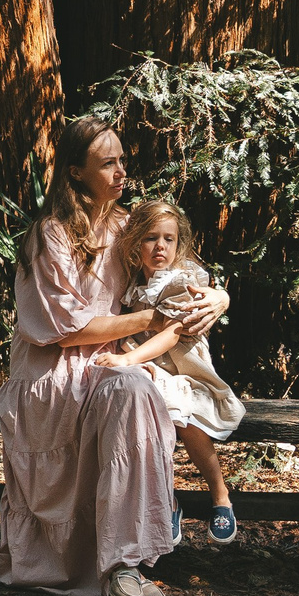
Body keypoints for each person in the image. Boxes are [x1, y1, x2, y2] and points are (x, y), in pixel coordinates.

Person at [0, 115, 225, 596]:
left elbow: (181, 267)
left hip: (112, 365)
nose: (122, 172)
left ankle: (126, 564)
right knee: (129, 383)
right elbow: (69, 328)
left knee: (135, 388)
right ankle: (99, 564)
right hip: (53, 372)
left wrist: (218, 299)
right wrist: (151, 316)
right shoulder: (48, 237)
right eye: (108, 163)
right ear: (75, 172)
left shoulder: (127, 227)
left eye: (123, 160)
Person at [119, 198, 246, 542]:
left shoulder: (181, 281)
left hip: (183, 367)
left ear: (179, 243)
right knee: (152, 425)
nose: (160, 246)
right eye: (150, 237)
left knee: (188, 425)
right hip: (150, 367)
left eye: (169, 239)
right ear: (135, 242)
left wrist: (130, 360)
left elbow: (172, 333)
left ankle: (220, 496)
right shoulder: (131, 280)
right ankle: (167, 501)